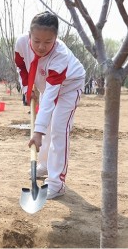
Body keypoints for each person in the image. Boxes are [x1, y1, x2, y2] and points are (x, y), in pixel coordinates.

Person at [14, 11, 85, 200]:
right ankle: (44, 165)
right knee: (47, 126)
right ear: (29, 34)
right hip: (47, 84)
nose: (41, 47)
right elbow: (21, 66)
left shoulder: (60, 55)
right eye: (36, 41)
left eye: (48, 42)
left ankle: (56, 183)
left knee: (58, 129)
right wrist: (27, 88)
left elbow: (51, 97)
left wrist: (37, 133)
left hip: (69, 86)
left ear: (56, 38)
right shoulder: (21, 43)